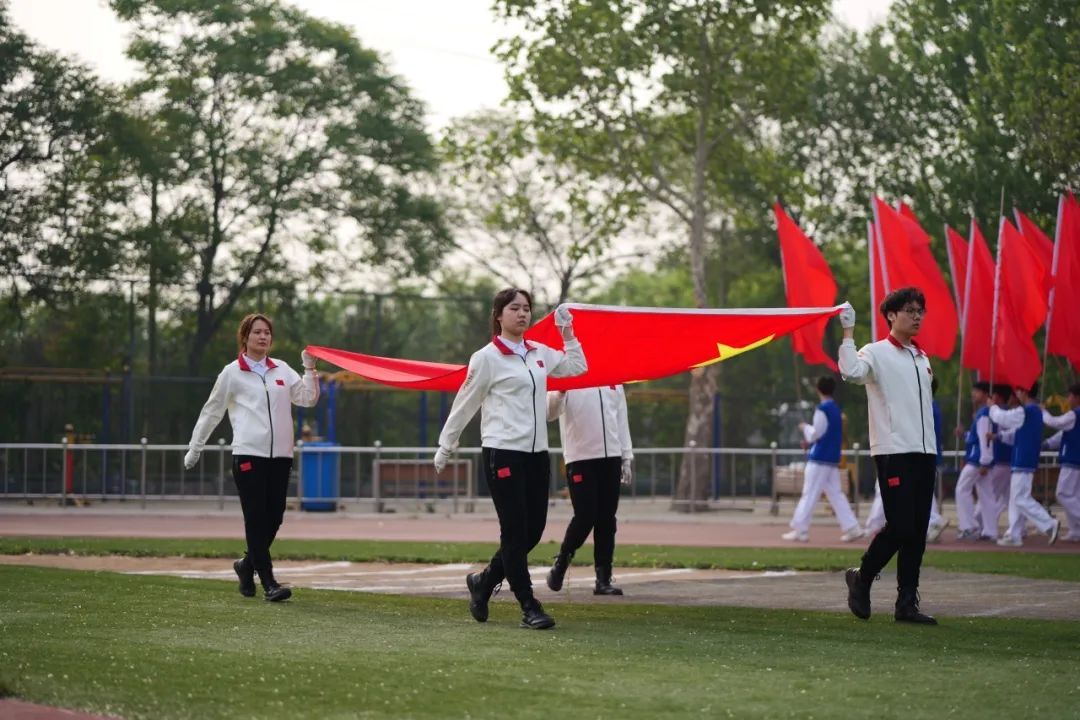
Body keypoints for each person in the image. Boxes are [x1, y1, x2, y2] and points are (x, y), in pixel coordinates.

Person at [433, 289, 587, 630]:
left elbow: (578, 366)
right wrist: (446, 444)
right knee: (515, 531)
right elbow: (465, 402)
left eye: (527, 308)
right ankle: (528, 604)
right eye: (514, 308)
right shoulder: (486, 358)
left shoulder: (538, 352)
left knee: (533, 531)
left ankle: (485, 581)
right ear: (498, 315)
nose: (522, 314)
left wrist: (567, 333)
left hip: (537, 454)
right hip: (502, 451)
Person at [184, 313, 320, 602]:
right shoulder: (232, 373)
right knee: (256, 518)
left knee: (275, 516)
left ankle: (246, 566)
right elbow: (212, 412)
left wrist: (309, 368)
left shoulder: (282, 369)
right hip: (249, 455)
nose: (263, 336)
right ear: (245, 337)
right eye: (257, 332)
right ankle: (269, 582)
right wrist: (196, 447)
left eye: (267, 332)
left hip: (281, 456)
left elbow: (307, 398)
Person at [837, 287, 939, 625]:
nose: (917, 316)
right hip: (894, 451)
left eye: (920, 311)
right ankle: (862, 576)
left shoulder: (921, 358)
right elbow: (851, 372)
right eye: (910, 310)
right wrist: (848, 331)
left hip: (924, 451)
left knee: (918, 531)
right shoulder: (876, 352)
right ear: (891, 315)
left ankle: (906, 603)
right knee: (901, 526)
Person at [545, 385, 634, 595]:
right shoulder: (570, 376)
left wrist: (626, 457)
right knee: (585, 516)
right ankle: (562, 562)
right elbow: (549, 413)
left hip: (611, 456)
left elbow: (621, 418)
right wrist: (559, 392)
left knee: (607, 519)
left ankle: (603, 579)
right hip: (580, 457)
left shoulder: (614, 379)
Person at [781, 376, 865, 543]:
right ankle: (852, 528)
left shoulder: (823, 409)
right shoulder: (835, 409)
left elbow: (816, 433)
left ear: (818, 389)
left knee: (810, 493)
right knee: (836, 494)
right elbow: (826, 434)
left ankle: (801, 530)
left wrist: (805, 428)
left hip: (819, 459)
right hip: (831, 458)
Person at [989, 382, 1060, 547]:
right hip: (1023, 458)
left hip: (1023, 459)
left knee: (1020, 498)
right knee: (1016, 498)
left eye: (1019, 391)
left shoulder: (1026, 411)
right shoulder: (1034, 411)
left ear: (1025, 392)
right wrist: (999, 437)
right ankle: (1014, 534)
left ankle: (1049, 523)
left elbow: (1004, 418)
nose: (1017, 395)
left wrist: (993, 408)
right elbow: (1016, 433)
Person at [953, 382, 994, 541]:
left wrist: (984, 461)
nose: (973, 394)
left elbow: (985, 439)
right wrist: (964, 434)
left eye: (976, 391)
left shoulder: (983, 413)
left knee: (962, 489)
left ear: (985, 394)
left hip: (977, 460)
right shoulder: (983, 413)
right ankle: (990, 530)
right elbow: (976, 437)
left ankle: (969, 527)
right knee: (986, 495)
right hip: (980, 459)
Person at [1042, 383, 1080, 542]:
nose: (1068, 399)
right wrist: (1048, 443)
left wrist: (1043, 411)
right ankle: (1075, 531)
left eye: (1070, 395)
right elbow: (1062, 433)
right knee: (1074, 496)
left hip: (1072, 459)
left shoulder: (1074, 415)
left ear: (1077, 397)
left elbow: (1055, 422)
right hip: (1075, 460)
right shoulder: (1074, 417)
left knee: (1063, 494)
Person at [925, 378, 952, 543]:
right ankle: (931, 526)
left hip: (926, 455)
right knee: (925, 493)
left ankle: (935, 520)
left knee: (918, 492)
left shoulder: (927, 407)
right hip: (929, 454)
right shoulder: (931, 406)